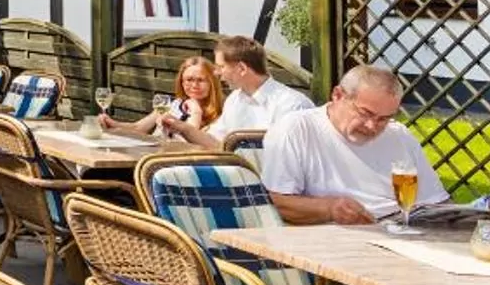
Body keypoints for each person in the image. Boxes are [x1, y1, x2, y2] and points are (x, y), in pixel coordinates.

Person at [259, 65, 444, 226]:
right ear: (338, 95)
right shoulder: (296, 129)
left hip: (402, 233)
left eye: (384, 119)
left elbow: (436, 203)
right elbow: (275, 202)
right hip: (338, 240)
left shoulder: (399, 134)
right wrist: (329, 209)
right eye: (365, 113)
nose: (372, 126)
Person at [168, 35, 313, 152]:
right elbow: (216, 143)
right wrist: (181, 127)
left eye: (221, 67)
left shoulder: (291, 105)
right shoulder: (235, 99)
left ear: (242, 68)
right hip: (239, 176)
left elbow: (293, 164)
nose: (216, 73)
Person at [98, 56, 222, 140]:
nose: (194, 85)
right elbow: (138, 128)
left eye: (201, 80)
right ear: (182, 83)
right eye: (189, 80)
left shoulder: (220, 115)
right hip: (149, 158)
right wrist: (112, 123)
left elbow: (188, 144)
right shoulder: (171, 104)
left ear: (212, 83)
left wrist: (196, 111)